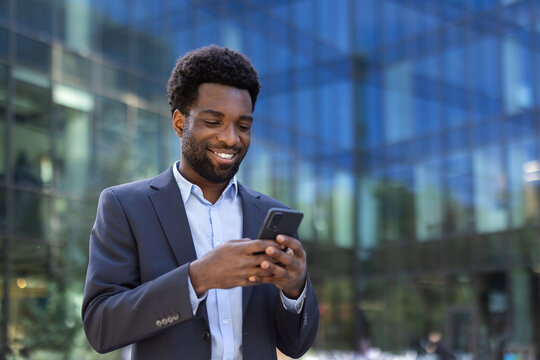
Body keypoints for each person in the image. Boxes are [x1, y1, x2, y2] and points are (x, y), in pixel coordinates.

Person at [81, 45, 319, 360]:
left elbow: (296, 345)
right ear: (180, 123)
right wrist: (198, 278)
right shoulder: (125, 207)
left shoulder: (272, 216)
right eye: (213, 121)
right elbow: (101, 327)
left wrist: (294, 289)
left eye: (243, 126)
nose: (231, 138)